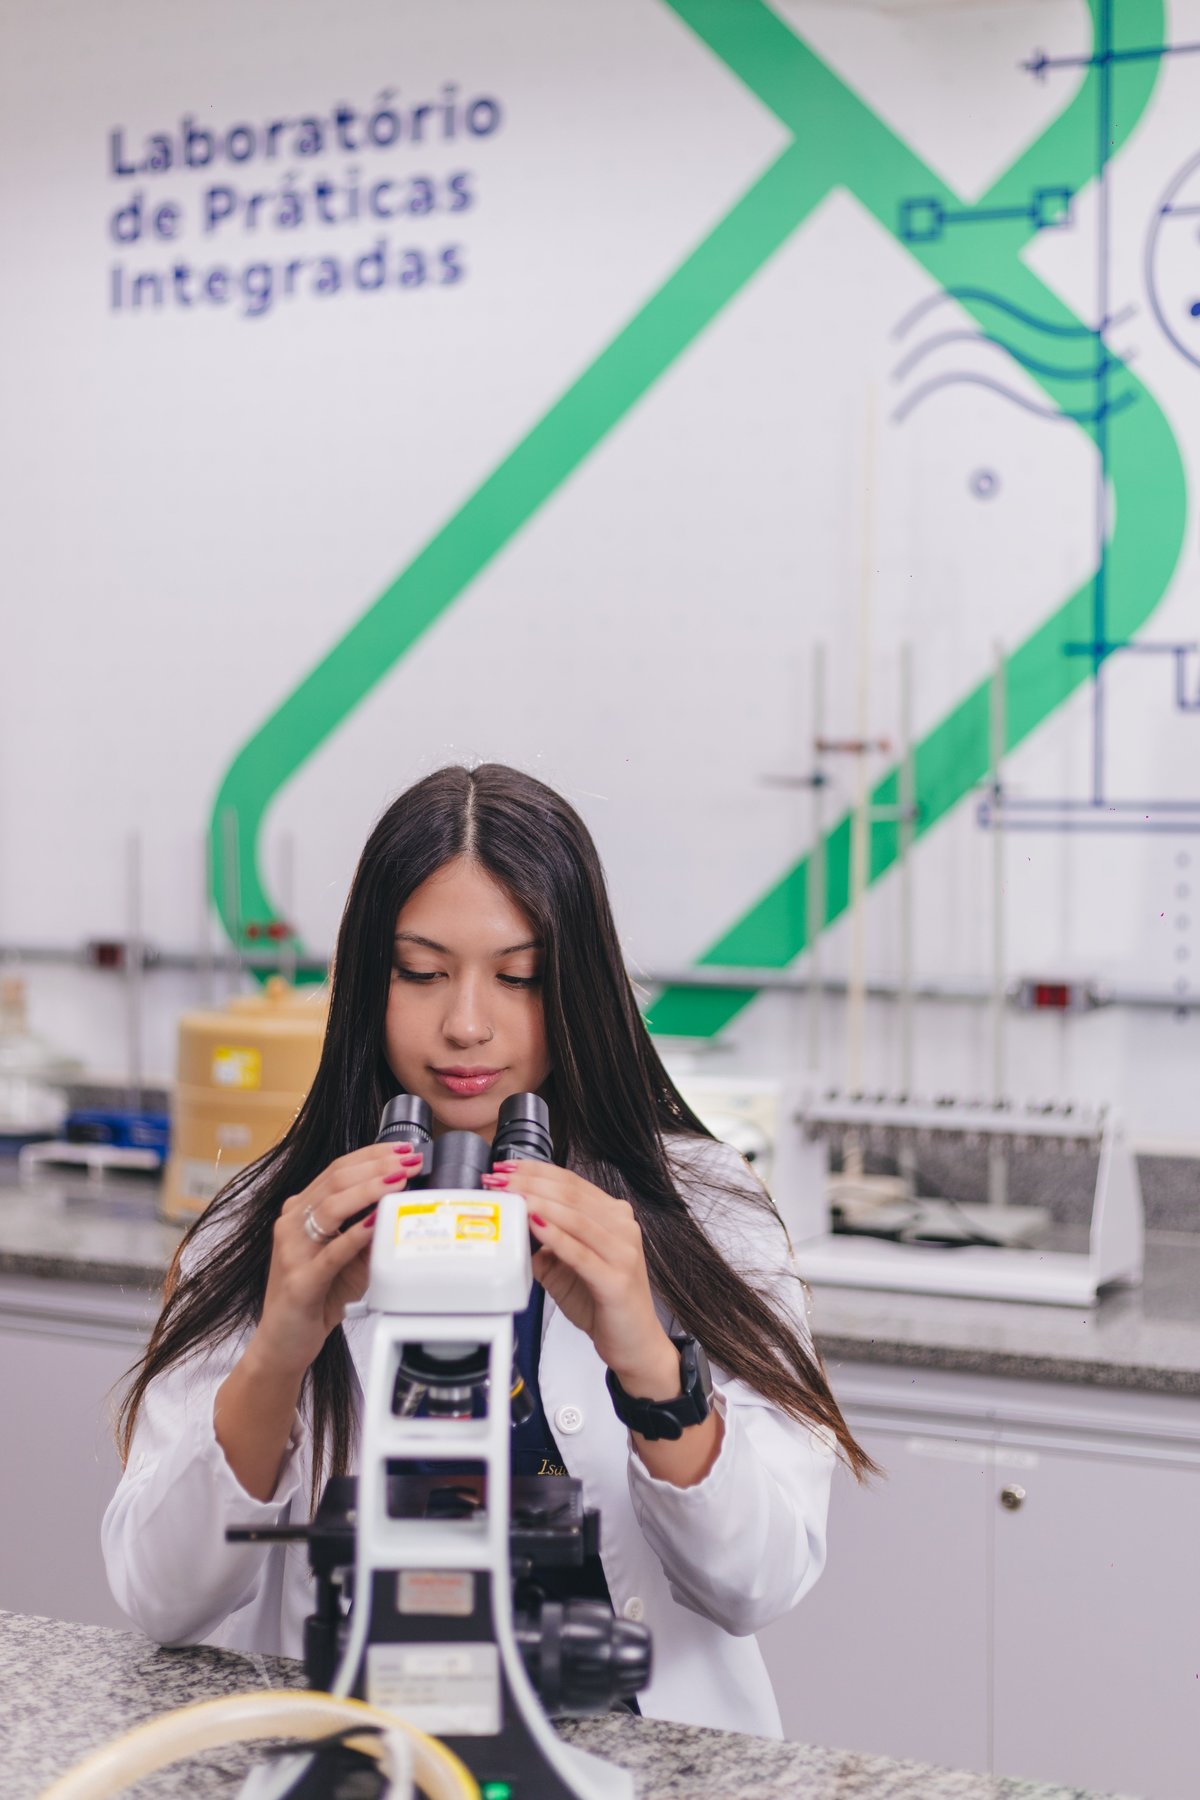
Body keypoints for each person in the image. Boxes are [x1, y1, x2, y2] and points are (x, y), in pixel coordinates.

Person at [103, 763, 874, 1736]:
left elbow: (760, 1583)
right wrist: (279, 1348)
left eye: (519, 978)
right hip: (365, 1753)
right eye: (421, 973)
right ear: (364, 985)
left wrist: (643, 1352)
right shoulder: (266, 1221)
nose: (466, 1023)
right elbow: (156, 1596)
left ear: (580, 988)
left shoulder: (710, 1212)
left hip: (646, 1755)